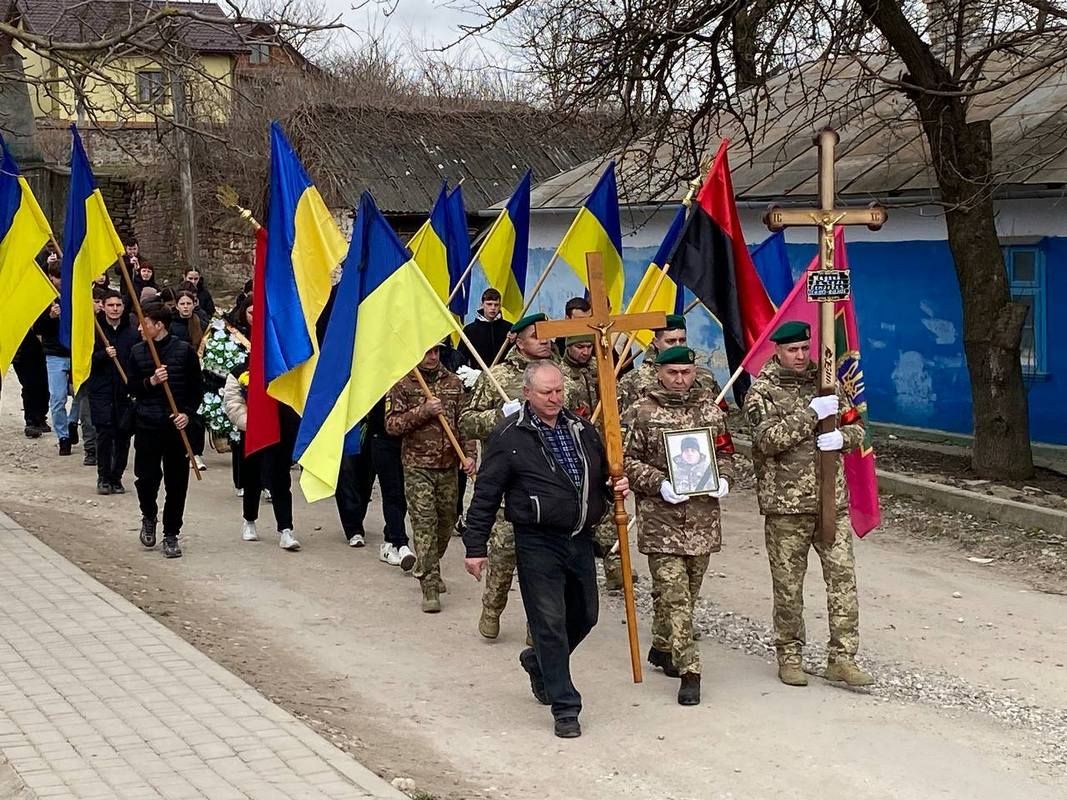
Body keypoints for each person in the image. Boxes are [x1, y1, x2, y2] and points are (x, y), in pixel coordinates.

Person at [463, 360, 628, 739]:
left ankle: (539, 662)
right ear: (527, 393)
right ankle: (565, 706)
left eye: (558, 391)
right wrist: (475, 546)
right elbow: (486, 494)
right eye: (546, 392)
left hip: (579, 537)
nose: (555, 398)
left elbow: (600, 477)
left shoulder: (583, 429)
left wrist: (614, 488)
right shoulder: (509, 436)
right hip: (537, 540)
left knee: (585, 615)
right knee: (549, 623)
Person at [743, 320, 873, 688]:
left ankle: (842, 657)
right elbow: (767, 440)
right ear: (778, 351)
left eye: (804, 348)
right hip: (786, 506)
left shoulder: (826, 382)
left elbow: (857, 426)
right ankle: (790, 655)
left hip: (831, 500)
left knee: (843, 579)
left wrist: (842, 438)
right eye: (793, 350)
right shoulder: (762, 392)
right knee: (788, 586)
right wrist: (811, 414)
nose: (801, 356)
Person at [622, 346, 734, 706]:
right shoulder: (641, 412)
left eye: (686, 373)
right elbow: (625, 460)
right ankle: (690, 670)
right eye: (673, 373)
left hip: (701, 521)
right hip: (661, 521)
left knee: (688, 592)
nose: (680, 380)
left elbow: (726, 453)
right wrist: (659, 483)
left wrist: (725, 478)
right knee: (676, 595)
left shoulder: (710, 411)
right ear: (659, 373)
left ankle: (662, 645)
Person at [459, 313, 555, 639]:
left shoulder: (558, 378)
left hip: (548, 491)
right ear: (519, 340)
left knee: (543, 568)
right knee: (502, 559)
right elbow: (467, 422)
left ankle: (537, 625)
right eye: (536, 335)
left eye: (548, 334)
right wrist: (500, 415)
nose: (545, 340)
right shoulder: (496, 376)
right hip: (508, 489)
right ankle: (492, 607)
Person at [386, 344, 477, 612]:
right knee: (425, 523)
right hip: (417, 465)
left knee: (446, 522)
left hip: (448, 465)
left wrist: (469, 455)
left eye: (436, 352)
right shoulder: (402, 384)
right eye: (427, 352)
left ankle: (429, 565)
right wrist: (423, 411)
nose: (433, 357)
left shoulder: (453, 383)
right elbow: (392, 425)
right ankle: (429, 585)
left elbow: (464, 422)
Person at [127, 303, 202, 559]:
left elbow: (196, 389)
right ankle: (149, 515)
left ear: (159, 325)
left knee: (177, 483)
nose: (140, 328)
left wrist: (187, 414)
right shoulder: (137, 352)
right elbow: (131, 387)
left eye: (145, 323)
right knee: (146, 479)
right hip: (147, 425)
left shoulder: (185, 351)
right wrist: (151, 381)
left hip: (176, 429)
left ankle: (171, 533)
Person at [222, 313, 300, 551]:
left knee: (280, 479)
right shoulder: (240, 372)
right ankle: (249, 520)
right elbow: (232, 402)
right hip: (253, 433)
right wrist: (251, 423)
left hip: (281, 433)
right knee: (252, 478)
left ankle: (285, 529)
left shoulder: (286, 372)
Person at [559, 334, 630, 592]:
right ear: (568, 347)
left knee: (612, 507)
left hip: (603, 448)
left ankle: (616, 569)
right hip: (573, 453)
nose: (585, 351)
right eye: (579, 347)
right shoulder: (560, 377)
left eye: (589, 346)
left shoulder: (601, 369)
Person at [88, 290, 139, 494]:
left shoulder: (132, 333)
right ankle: (103, 477)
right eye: (111, 305)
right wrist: (102, 355)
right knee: (105, 434)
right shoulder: (95, 330)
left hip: (124, 392)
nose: (115, 309)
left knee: (123, 436)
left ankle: (116, 477)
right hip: (101, 391)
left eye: (118, 305)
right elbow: (84, 361)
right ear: (103, 306)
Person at [617, 314, 722, 410]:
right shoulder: (634, 380)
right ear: (656, 342)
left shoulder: (704, 377)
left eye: (682, 340)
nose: (677, 345)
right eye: (671, 341)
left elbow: (722, 413)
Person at [33, 262, 80, 456]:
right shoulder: (44, 298)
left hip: (76, 352)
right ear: (51, 277)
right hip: (54, 354)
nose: (61, 281)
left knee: (80, 394)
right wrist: (50, 317)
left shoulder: (76, 293)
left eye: (64, 277)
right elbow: (37, 328)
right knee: (58, 397)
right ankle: (63, 437)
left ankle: (72, 422)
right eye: (57, 277)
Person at [457, 288, 511, 368]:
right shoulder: (470, 330)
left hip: (504, 373)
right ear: (482, 305)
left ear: (500, 306)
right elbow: (461, 358)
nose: (493, 308)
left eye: (496, 305)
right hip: (478, 373)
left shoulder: (509, 328)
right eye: (489, 304)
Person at [12, 331, 51, 438]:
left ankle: (40, 416)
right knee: (30, 385)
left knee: (44, 385)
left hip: (44, 348)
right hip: (22, 349)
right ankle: (31, 421)